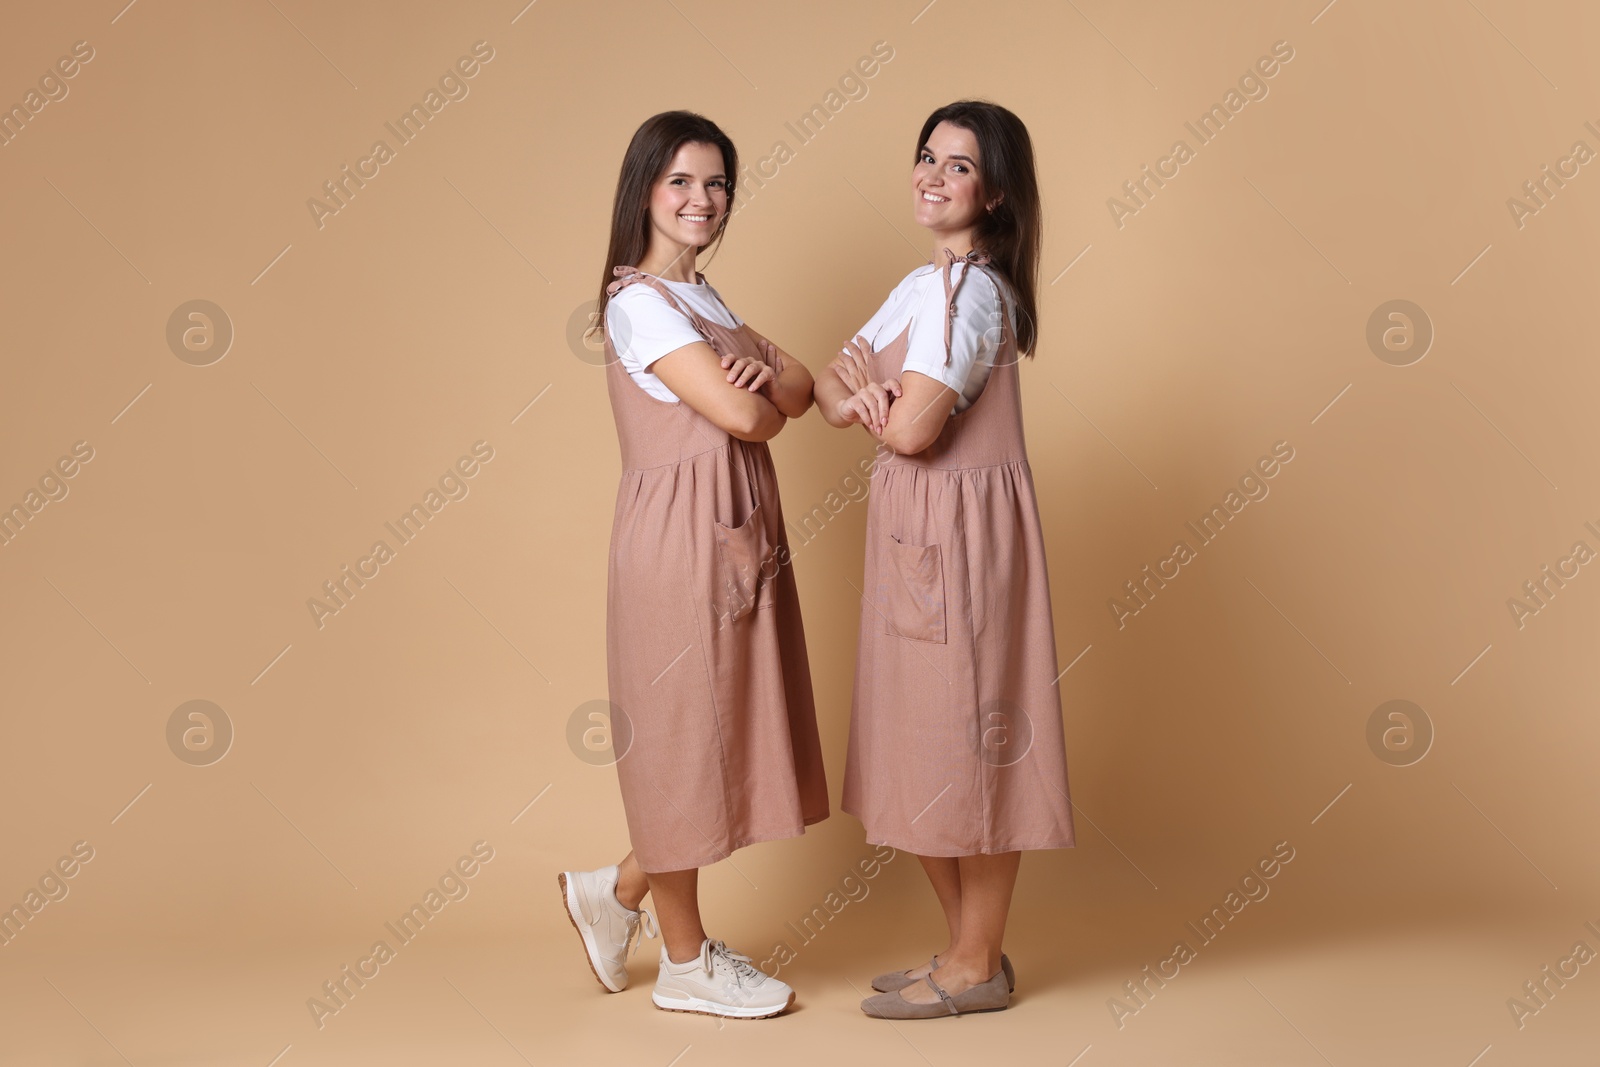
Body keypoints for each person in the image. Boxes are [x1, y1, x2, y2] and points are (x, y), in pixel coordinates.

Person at [559, 110, 828, 1021]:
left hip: (734, 529)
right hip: (679, 539)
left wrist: (749, 368)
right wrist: (751, 379)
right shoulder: (637, 301)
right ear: (645, 189)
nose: (702, 200)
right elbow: (758, 416)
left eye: (717, 184)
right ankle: (684, 961)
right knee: (681, 738)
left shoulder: (706, 299)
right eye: (682, 181)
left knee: (720, 736)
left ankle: (615, 890)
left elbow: (801, 390)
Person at [813, 100, 1077, 1019]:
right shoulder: (920, 284)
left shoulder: (970, 292)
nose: (931, 173)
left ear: (995, 192)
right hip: (916, 536)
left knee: (972, 742)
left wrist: (874, 404)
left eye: (957, 165)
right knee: (912, 739)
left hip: (959, 542)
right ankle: (975, 952)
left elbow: (919, 428)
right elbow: (825, 379)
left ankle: (974, 961)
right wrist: (859, 398)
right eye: (926, 155)